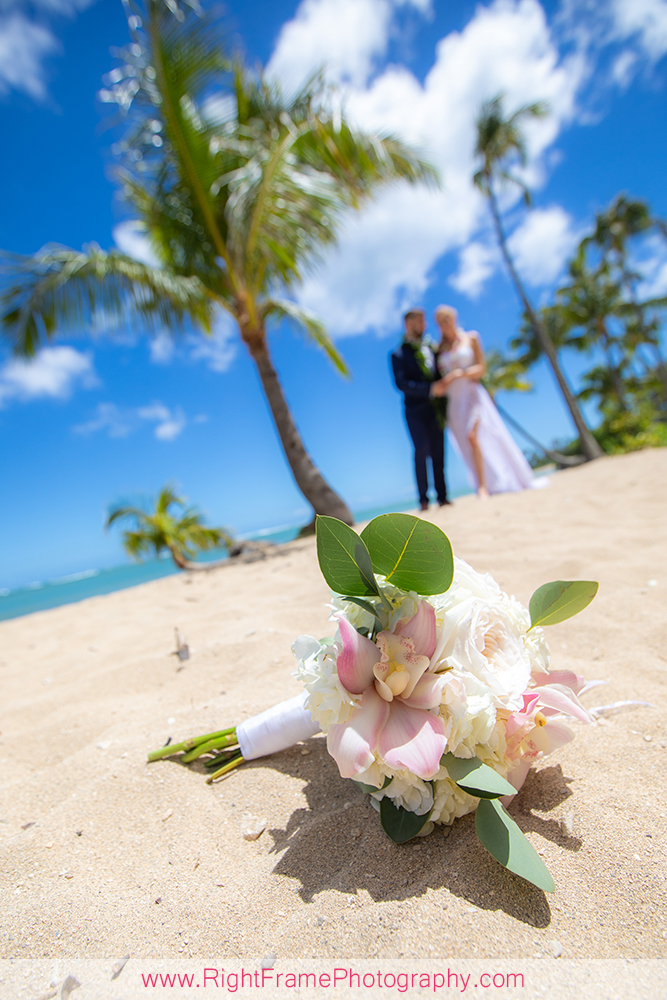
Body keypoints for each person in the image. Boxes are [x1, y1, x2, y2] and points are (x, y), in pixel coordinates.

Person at [433, 305, 539, 498]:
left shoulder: (470, 338)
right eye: (440, 321)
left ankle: (482, 487)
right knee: (466, 442)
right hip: (454, 401)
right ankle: (488, 482)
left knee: (473, 436)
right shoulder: (438, 349)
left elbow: (482, 368)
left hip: (472, 393)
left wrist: (459, 374)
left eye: (447, 318)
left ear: (455, 318)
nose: (445, 324)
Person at [390, 308, 451, 511]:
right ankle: (423, 500)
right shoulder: (398, 354)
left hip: (436, 408)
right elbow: (401, 384)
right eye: (420, 322)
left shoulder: (432, 349)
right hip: (414, 410)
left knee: (438, 451)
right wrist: (430, 389)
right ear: (408, 324)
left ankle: (443, 497)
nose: (424, 326)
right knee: (421, 450)